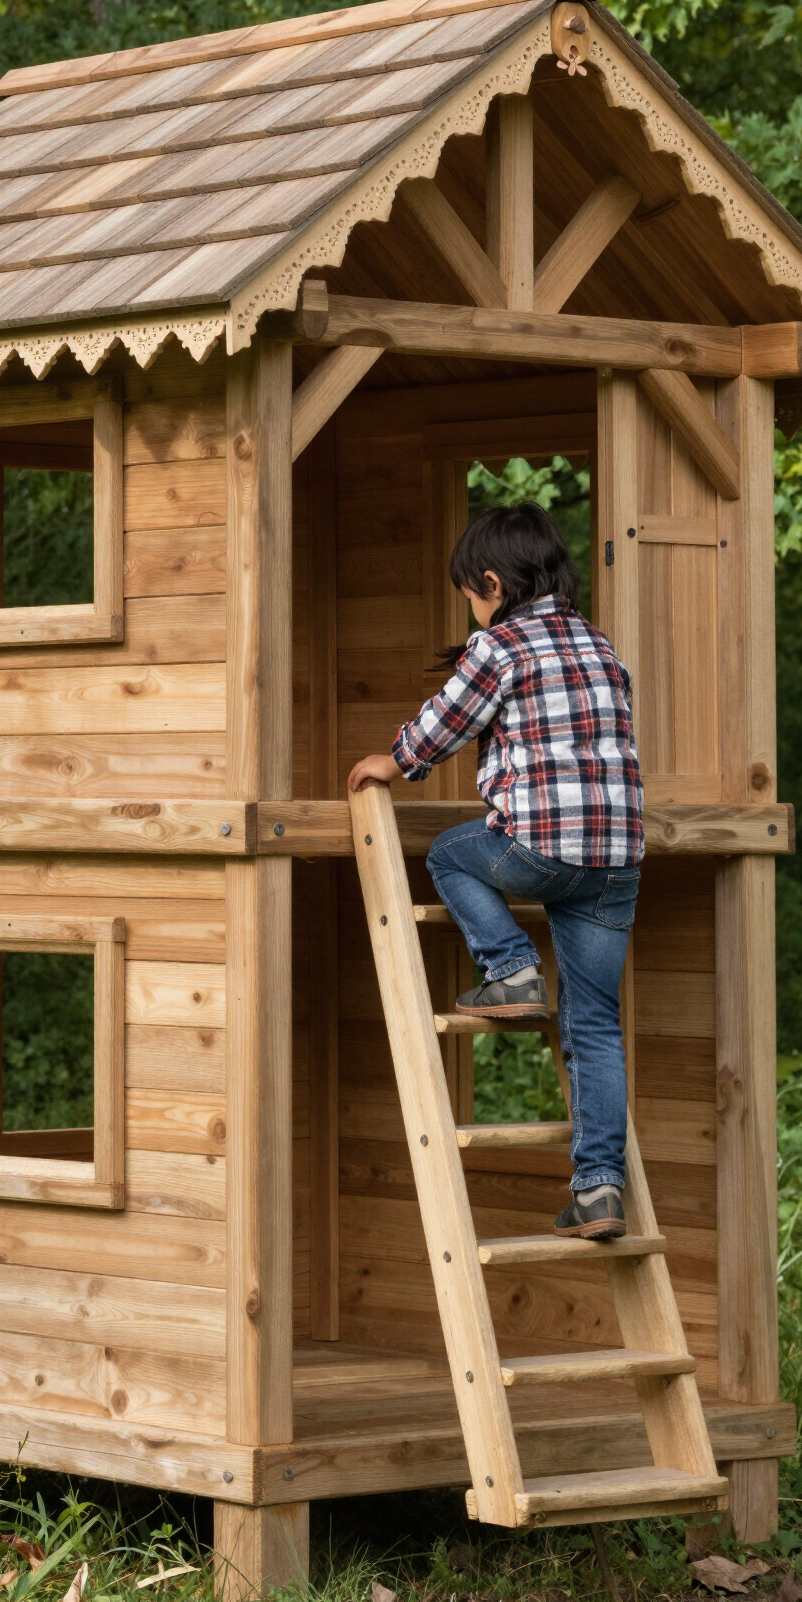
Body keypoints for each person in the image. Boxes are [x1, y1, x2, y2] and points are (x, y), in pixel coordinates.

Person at [347, 503, 643, 1241]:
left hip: (540, 850)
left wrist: (392, 762)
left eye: (470, 599)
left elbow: (447, 722)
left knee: (450, 853)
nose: (473, 615)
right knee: (595, 1024)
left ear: (492, 584)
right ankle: (600, 1190)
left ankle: (510, 968)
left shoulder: (500, 646)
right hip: (616, 861)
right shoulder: (600, 645)